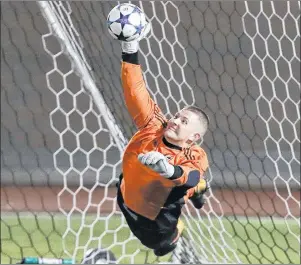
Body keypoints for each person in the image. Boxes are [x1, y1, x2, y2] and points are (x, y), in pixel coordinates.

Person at [116, 21, 210, 257]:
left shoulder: (195, 154)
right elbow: (135, 90)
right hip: (126, 194)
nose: (175, 120)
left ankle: (180, 226)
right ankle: (200, 191)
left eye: (184, 122)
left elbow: (191, 175)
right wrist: (130, 48)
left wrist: (169, 170)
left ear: (194, 137)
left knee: (161, 245)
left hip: (157, 221)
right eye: (177, 115)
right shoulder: (153, 125)